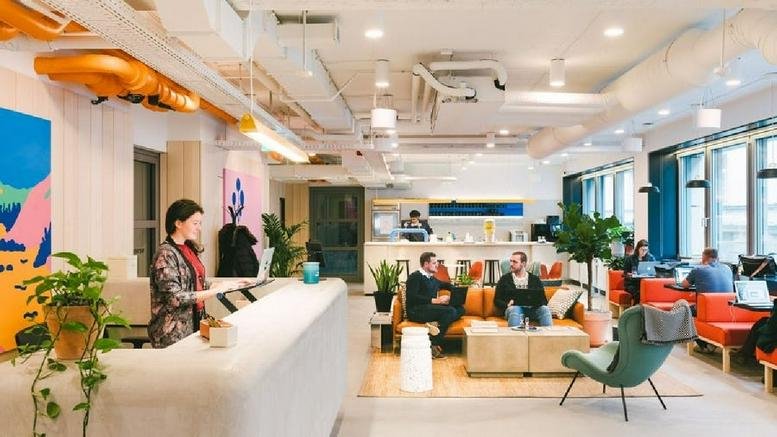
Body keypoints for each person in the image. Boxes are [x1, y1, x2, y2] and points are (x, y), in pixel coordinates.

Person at [148, 199, 249, 348]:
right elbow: (175, 298)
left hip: (195, 325)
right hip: (173, 333)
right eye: (195, 223)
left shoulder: (188, 249)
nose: (199, 228)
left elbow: (197, 282)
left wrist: (227, 285)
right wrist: (215, 291)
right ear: (178, 223)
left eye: (199, 223)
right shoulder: (166, 254)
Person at [405, 251, 465, 359]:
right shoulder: (415, 276)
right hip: (416, 310)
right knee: (450, 311)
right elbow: (412, 297)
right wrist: (434, 300)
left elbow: (445, 285)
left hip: (428, 309)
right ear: (426, 264)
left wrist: (454, 294)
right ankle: (433, 344)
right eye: (434, 262)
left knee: (460, 309)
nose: (437, 264)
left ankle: (434, 324)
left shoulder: (431, 278)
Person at [681, 247, 734, 353]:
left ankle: (704, 345)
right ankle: (708, 342)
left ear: (704, 257)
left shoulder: (698, 269)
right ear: (717, 257)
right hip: (730, 310)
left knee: (683, 310)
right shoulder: (727, 268)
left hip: (709, 310)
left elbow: (684, 284)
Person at [494, 251, 552, 327]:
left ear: (523, 264)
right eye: (510, 261)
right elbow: (496, 300)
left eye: (515, 262)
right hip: (514, 310)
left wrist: (536, 302)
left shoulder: (535, 279)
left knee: (545, 309)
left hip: (533, 310)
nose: (511, 264)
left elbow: (544, 300)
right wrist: (507, 305)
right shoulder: (504, 279)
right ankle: (515, 337)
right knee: (515, 309)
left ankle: (548, 336)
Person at [622, 239, 656, 303]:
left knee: (651, 291)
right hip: (632, 283)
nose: (644, 252)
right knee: (638, 292)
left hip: (646, 282)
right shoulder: (630, 259)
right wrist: (630, 274)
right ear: (638, 249)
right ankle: (636, 310)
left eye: (646, 250)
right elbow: (625, 273)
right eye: (642, 250)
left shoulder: (651, 258)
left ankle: (647, 309)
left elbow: (654, 271)